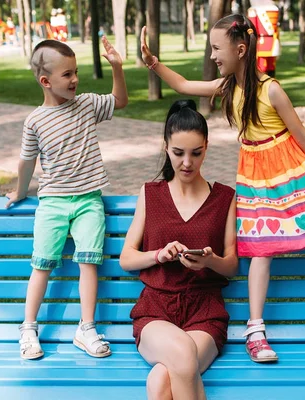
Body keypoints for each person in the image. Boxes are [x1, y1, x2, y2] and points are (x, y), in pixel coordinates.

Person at [139, 14, 305, 363]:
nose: (213, 55)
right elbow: (184, 85)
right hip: (256, 178)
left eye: (217, 48)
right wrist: (153, 63)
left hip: (291, 173)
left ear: (240, 49)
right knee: (260, 250)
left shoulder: (271, 89)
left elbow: (302, 134)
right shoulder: (227, 87)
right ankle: (255, 330)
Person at [5, 38, 128, 360]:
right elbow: (26, 162)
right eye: (67, 74)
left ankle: (86, 328)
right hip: (53, 204)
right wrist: (20, 191)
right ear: (45, 81)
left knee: (89, 262)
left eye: (76, 72)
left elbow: (120, 100)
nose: (75, 80)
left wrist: (117, 66)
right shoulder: (35, 121)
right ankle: (28, 328)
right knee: (41, 264)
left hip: (89, 201)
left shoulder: (86, 104)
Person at [120, 100, 238, 399]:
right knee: (182, 356)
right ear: (166, 147)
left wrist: (210, 261)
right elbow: (127, 259)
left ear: (207, 147)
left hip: (204, 312)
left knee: (162, 381)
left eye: (196, 153)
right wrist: (158, 254)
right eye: (178, 153)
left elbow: (232, 265)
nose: (187, 162)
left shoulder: (224, 197)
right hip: (156, 310)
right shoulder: (151, 193)